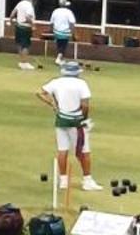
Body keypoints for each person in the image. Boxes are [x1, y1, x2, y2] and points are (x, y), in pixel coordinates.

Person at [38, 60, 101, 191]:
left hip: (61, 120)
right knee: (84, 151)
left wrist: (53, 105)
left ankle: (63, 181)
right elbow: (85, 104)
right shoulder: (81, 84)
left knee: (63, 150)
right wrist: (84, 119)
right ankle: (87, 180)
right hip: (76, 121)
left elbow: (40, 92)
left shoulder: (56, 82)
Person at [9, 0, 38, 70]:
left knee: (19, 44)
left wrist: (11, 21)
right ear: (34, 0)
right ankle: (24, 63)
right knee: (26, 45)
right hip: (26, 27)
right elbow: (28, 17)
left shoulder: (21, 3)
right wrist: (33, 25)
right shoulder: (30, 7)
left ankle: (22, 61)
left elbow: (13, 13)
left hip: (18, 26)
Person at [49, 0, 78, 65]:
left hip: (56, 31)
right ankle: (59, 59)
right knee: (63, 46)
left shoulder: (55, 11)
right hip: (65, 32)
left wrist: (51, 30)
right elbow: (72, 23)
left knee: (59, 45)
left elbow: (51, 22)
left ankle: (61, 59)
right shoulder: (68, 12)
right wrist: (74, 33)